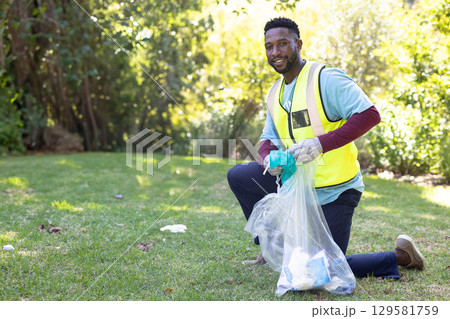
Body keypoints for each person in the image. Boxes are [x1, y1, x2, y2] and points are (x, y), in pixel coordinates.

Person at [227, 17, 424, 279]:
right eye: (269, 46)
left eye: (283, 44)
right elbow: (267, 138)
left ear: (298, 44)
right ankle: (273, 247)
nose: (275, 52)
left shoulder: (325, 78)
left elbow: (369, 114)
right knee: (240, 175)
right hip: (296, 190)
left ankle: (401, 257)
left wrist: (320, 145)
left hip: (336, 191)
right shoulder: (275, 92)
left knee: (320, 272)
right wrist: (267, 159)